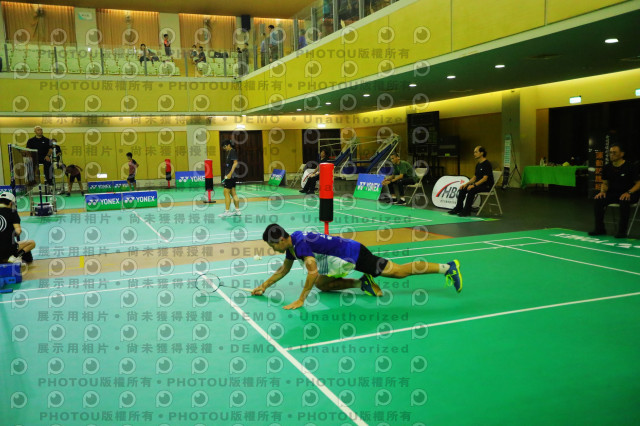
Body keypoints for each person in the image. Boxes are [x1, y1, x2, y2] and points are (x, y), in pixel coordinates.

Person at [252, 224, 462, 310]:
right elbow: (284, 269)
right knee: (322, 285)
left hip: (353, 254)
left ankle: (447, 268)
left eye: (272, 245)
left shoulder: (301, 244)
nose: (273, 249)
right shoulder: (293, 243)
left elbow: (312, 271)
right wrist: (264, 286)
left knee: (398, 272)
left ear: (281, 239)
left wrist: (301, 299)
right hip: (340, 261)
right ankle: (362, 283)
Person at [589, 144, 640, 238]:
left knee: (624, 200)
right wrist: (602, 191)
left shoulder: (630, 166)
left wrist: (629, 192)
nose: (612, 155)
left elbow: (638, 183)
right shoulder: (607, 167)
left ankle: (622, 231)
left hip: (630, 193)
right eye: (610, 153)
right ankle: (600, 229)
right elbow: (605, 183)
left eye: (614, 153)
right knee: (598, 200)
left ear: (622, 154)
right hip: (613, 193)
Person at [449, 146, 494, 217]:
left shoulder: (487, 164)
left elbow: (485, 179)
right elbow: (475, 177)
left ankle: (467, 211)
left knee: (471, 190)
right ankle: (458, 208)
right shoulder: (478, 164)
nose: (474, 154)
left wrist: (474, 185)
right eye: (474, 152)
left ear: (481, 153)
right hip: (479, 185)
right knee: (463, 189)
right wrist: (466, 184)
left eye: (476, 152)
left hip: (486, 186)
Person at [0, 192, 36, 265]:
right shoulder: (12, 212)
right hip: (8, 249)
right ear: (11, 203)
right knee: (32, 243)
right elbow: (18, 231)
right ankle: (15, 257)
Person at [218, 140, 241, 218]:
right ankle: (237, 211)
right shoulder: (229, 152)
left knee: (226, 192)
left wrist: (230, 174)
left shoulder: (232, 151)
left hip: (231, 176)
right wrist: (227, 174)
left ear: (228, 145)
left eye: (225, 146)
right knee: (233, 192)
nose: (224, 148)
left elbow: (235, 163)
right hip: (230, 176)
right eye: (223, 147)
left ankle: (227, 212)